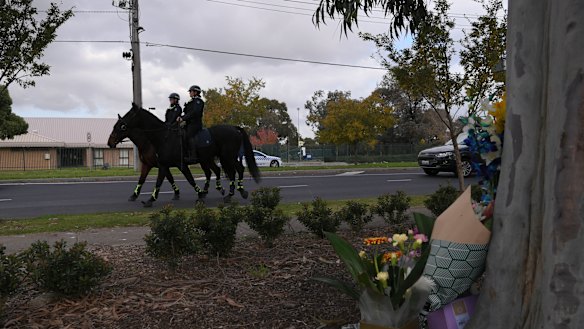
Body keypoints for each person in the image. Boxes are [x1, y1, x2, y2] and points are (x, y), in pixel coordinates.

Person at [177, 85, 204, 163]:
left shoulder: (198, 101)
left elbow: (194, 112)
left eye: (191, 91)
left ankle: (193, 156)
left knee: (189, 135)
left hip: (195, 124)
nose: (190, 93)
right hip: (188, 124)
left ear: (195, 92)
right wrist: (181, 117)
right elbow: (187, 112)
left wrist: (183, 118)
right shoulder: (191, 102)